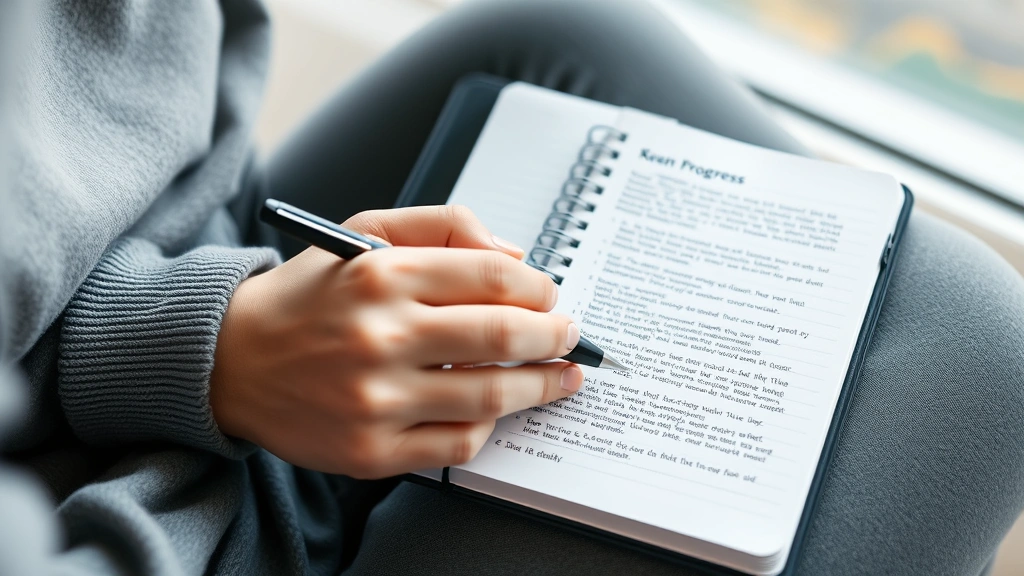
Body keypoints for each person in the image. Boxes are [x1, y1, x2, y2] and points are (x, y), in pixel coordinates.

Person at [0, 0, 1022, 575]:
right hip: (133, 527)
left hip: (151, 284)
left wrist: (174, 324)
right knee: (979, 362)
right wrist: (190, 362)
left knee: (567, 44)